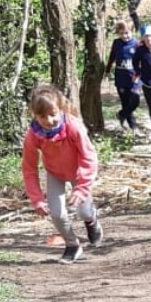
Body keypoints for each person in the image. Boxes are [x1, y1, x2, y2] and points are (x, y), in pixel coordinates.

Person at [21, 84, 102, 264]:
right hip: (55, 173)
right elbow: (29, 169)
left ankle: (91, 220)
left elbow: (89, 157)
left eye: (53, 114)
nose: (49, 120)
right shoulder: (33, 136)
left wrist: (81, 189)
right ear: (35, 115)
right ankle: (72, 245)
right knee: (56, 214)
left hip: (78, 173)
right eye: (42, 116)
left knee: (83, 211)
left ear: (60, 109)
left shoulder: (73, 127)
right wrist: (37, 199)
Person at [103, 19, 142, 136]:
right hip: (121, 77)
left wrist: (139, 74)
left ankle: (121, 114)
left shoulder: (137, 44)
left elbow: (142, 61)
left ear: (132, 31)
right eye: (122, 33)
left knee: (135, 101)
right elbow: (112, 57)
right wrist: (107, 70)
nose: (125, 35)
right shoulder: (117, 43)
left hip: (134, 77)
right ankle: (133, 126)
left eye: (127, 33)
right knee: (125, 102)